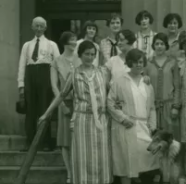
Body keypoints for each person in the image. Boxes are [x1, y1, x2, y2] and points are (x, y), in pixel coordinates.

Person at [39, 40, 114, 184]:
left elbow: (113, 93)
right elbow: (61, 95)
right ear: (80, 55)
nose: (90, 57)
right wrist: (46, 113)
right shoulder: (73, 74)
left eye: (93, 54)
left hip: (101, 120)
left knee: (102, 156)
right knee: (83, 156)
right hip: (82, 120)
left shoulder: (103, 72)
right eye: (87, 54)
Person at [108, 49, 159, 184]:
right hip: (126, 127)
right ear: (130, 63)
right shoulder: (120, 81)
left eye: (141, 62)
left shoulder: (147, 84)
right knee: (126, 165)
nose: (139, 65)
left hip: (144, 128)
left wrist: (152, 126)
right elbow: (110, 103)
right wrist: (123, 118)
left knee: (148, 159)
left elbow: (152, 107)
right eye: (136, 62)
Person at [17, 17, 60, 151]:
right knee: (30, 110)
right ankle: (30, 142)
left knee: (44, 108)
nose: (39, 29)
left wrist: (55, 84)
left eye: (41, 26)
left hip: (45, 75)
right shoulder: (27, 45)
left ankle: (45, 142)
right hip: (30, 75)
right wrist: (21, 85)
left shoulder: (52, 45)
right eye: (36, 26)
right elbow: (22, 65)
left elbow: (58, 64)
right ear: (32, 27)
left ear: (45, 28)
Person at [51, 31, 81, 184]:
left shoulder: (80, 59)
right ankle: (69, 172)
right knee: (65, 141)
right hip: (63, 102)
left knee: (78, 139)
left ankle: (77, 171)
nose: (74, 43)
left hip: (79, 103)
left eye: (75, 40)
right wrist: (61, 104)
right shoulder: (56, 61)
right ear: (64, 43)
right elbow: (55, 87)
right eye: (71, 41)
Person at [146, 33, 180, 138]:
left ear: (166, 46)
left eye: (162, 44)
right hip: (152, 107)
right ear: (153, 46)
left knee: (170, 138)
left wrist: (175, 106)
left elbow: (177, 86)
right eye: (157, 44)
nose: (159, 46)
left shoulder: (172, 62)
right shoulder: (148, 64)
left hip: (169, 107)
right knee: (153, 138)